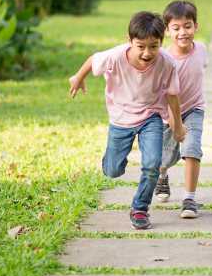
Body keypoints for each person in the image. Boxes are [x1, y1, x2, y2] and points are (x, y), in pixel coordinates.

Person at [69, 11, 186, 230]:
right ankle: (111, 161)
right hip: (121, 118)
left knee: (153, 164)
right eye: (141, 46)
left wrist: (177, 125)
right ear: (129, 40)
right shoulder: (115, 56)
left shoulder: (167, 63)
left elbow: (172, 95)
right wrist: (78, 77)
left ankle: (140, 208)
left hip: (151, 116)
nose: (147, 52)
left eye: (154, 46)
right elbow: (94, 59)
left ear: (161, 42)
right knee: (113, 170)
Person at [154, 0, 207, 219]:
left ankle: (189, 198)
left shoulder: (202, 49)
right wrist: (175, 124)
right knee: (164, 158)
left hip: (194, 109)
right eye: (176, 28)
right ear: (167, 30)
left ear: (196, 26)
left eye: (187, 26)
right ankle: (162, 176)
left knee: (191, 149)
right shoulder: (164, 59)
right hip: (167, 114)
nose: (182, 32)